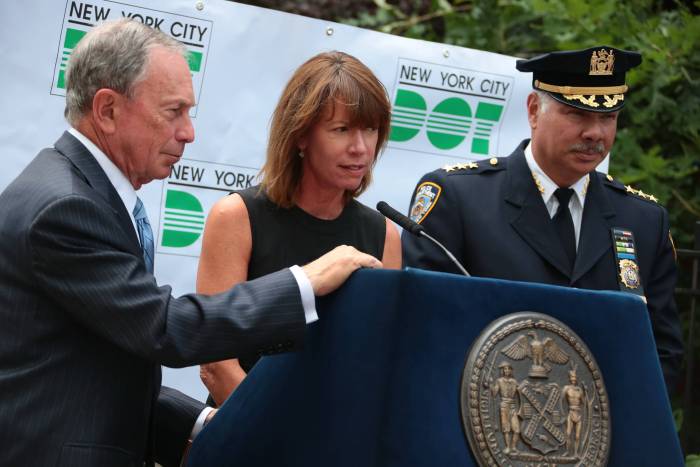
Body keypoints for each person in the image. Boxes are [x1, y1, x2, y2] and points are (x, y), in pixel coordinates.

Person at [0, 20, 381, 467]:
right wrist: (305, 282)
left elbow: (101, 370)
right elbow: (166, 328)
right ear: (107, 110)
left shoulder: (79, 192)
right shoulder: (64, 208)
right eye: (173, 111)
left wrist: (201, 425)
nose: (188, 132)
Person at [402, 46, 683, 390]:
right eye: (577, 114)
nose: (595, 133)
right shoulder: (459, 198)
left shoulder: (643, 220)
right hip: (482, 423)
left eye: (607, 118)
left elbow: (662, 353)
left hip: (599, 433)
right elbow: (426, 330)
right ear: (534, 111)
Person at [197, 51, 402, 406]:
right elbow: (216, 364)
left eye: (370, 129)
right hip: (244, 436)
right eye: (341, 130)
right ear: (301, 136)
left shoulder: (384, 233)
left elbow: (376, 362)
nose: (360, 148)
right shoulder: (237, 216)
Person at [491, 362, 521, 454]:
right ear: (502, 371)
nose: (507, 370)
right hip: (504, 406)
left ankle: (514, 447)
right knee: (506, 428)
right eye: (505, 369)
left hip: (512, 406)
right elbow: (494, 393)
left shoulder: (514, 382)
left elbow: (521, 393)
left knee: (517, 429)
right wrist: (490, 384)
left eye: (508, 369)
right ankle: (508, 447)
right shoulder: (499, 381)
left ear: (511, 370)